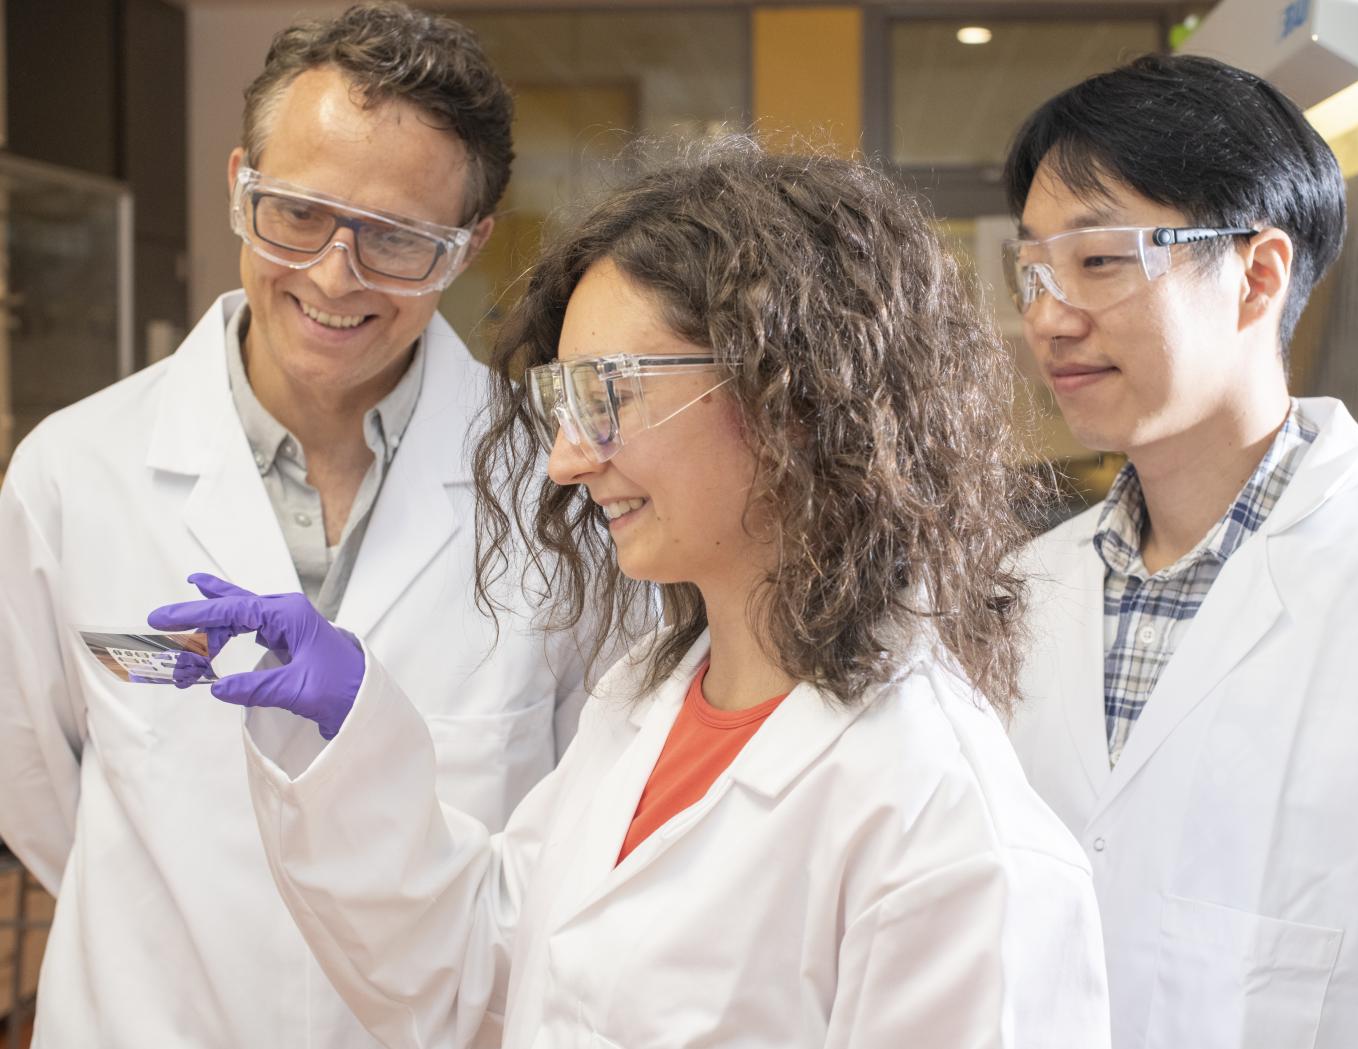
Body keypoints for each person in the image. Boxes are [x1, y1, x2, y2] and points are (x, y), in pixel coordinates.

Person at [148, 139, 1112, 1048]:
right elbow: (487, 964)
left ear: (793, 395)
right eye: (565, 402)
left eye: (609, 394)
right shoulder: (645, 702)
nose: (566, 460)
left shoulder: (945, 831)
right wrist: (347, 732)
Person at [0, 5, 591, 1046]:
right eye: (298, 214)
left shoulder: (562, 494)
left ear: (467, 248)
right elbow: (35, 789)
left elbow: (588, 824)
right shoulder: (72, 471)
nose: (332, 274)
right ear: (242, 188)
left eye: (397, 237)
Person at [1002, 53, 1358, 1049]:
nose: (1049, 316)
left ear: (1257, 275)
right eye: (1032, 270)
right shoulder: (1025, 587)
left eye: (1099, 260)